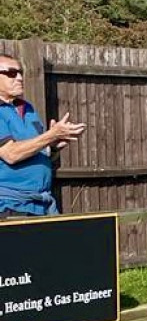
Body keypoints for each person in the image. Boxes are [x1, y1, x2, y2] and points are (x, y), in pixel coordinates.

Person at [0, 54, 86, 218]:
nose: (19, 78)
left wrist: (53, 146)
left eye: (20, 72)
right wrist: (50, 135)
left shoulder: (28, 109)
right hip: (8, 207)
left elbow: (37, 151)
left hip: (40, 205)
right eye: (11, 73)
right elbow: (10, 154)